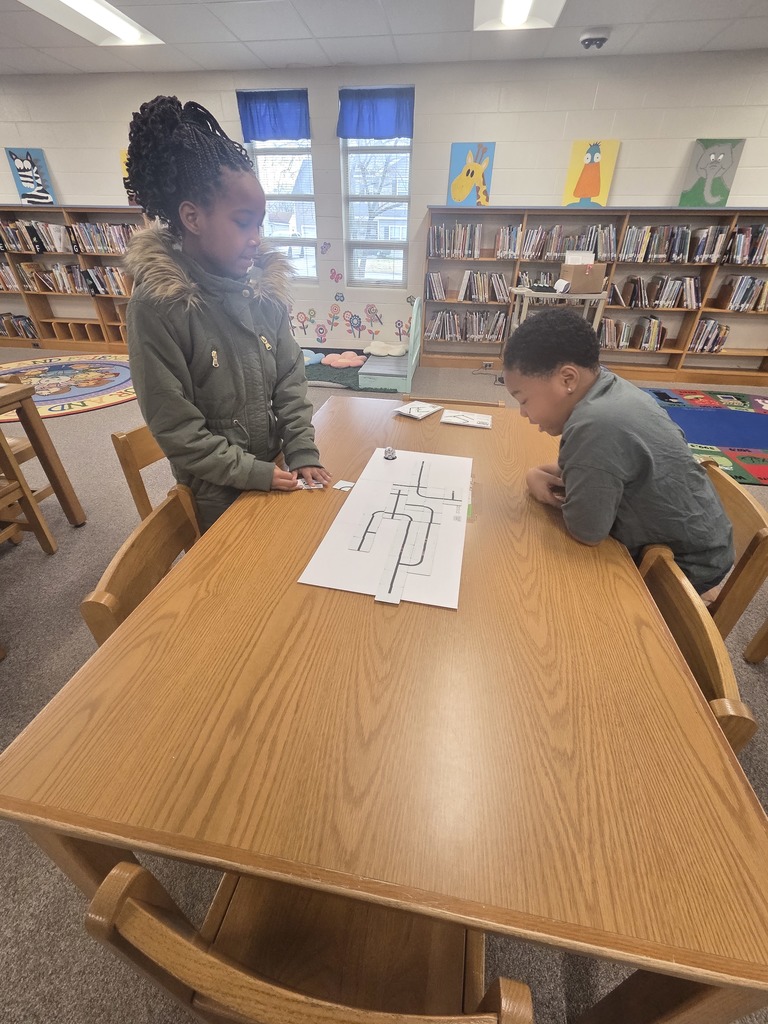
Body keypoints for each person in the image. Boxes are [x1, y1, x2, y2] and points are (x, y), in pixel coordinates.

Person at [124, 95, 330, 530]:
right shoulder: (156, 307)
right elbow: (177, 429)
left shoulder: (264, 290)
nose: (256, 238)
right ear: (193, 218)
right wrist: (253, 473)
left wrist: (302, 449)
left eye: (259, 223)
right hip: (218, 496)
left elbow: (290, 379)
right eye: (242, 222)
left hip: (275, 471)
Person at [502, 307, 734, 595]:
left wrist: (540, 491)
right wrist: (559, 473)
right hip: (706, 540)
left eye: (524, 400)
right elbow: (609, 466)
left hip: (685, 565)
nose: (523, 413)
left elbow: (587, 532)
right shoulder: (608, 386)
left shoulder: (595, 426)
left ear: (568, 379)